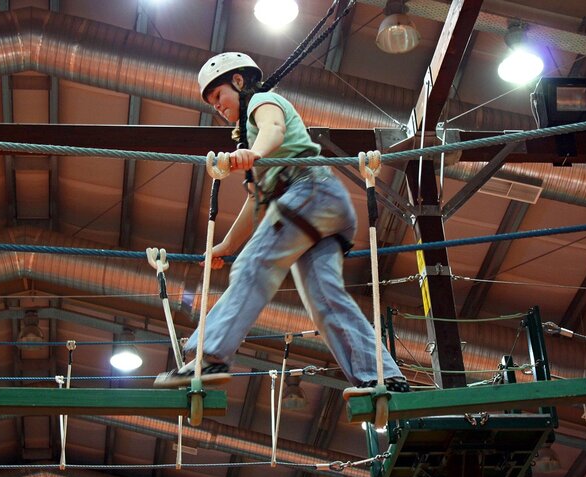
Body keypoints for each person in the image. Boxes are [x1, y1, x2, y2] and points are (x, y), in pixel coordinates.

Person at [154, 52, 409, 398]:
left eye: (219, 96)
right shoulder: (249, 140)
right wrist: (227, 245)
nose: (217, 106)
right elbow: (255, 201)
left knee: (254, 264)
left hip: (308, 189)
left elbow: (275, 128)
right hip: (320, 207)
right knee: (325, 297)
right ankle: (382, 377)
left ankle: (208, 356)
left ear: (239, 82)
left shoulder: (263, 101)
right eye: (212, 102)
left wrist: (255, 154)